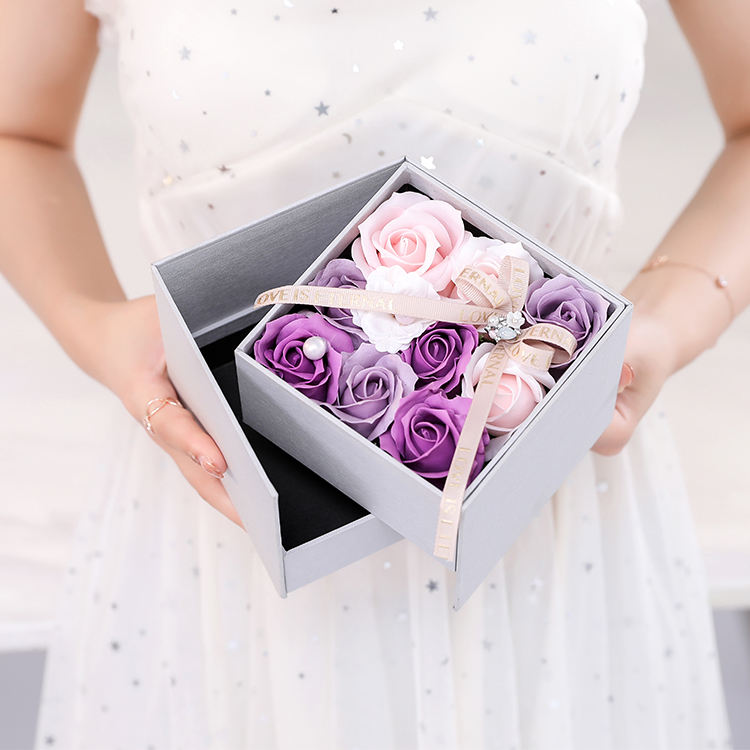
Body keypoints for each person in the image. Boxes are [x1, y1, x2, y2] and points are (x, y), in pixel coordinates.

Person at [1, 0, 747, 747]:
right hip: (228, 498)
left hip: (549, 487)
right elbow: (17, 131)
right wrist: (93, 324)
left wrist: (671, 317)